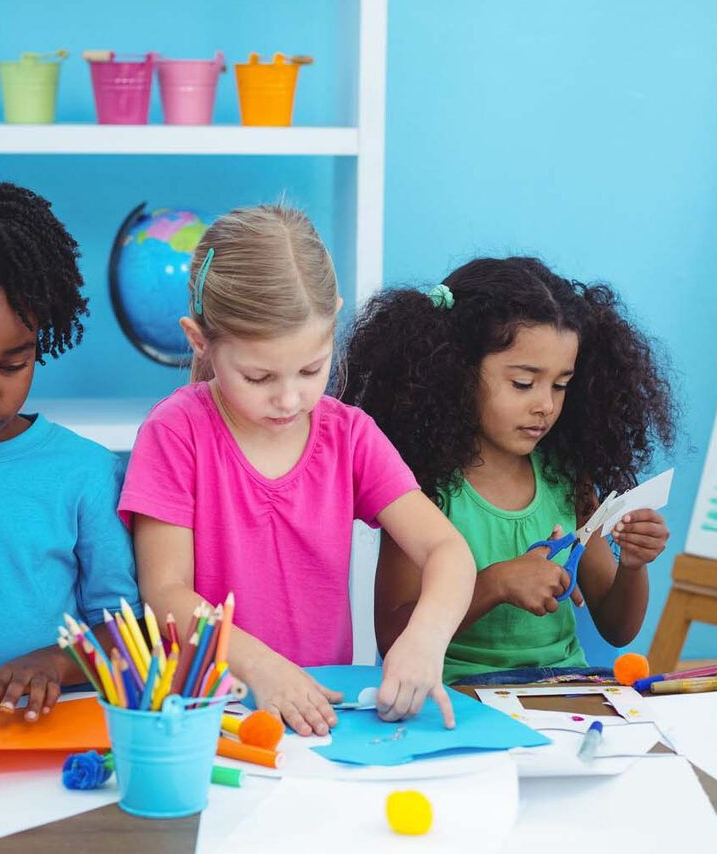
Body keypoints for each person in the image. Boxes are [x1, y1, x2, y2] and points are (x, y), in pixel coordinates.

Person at [119, 203, 474, 736]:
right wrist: (260, 666)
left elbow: (447, 552)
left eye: (311, 369)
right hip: (214, 715)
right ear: (199, 341)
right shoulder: (175, 433)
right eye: (259, 376)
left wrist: (424, 639)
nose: (289, 398)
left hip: (325, 714)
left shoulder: (348, 435)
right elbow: (166, 593)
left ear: (332, 318)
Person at [343, 255, 678, 684]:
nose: (545, 405)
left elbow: (618, 628)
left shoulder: (567, 478)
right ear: (457, 371)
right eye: (523, 383)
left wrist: (633, 564)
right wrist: (495, 584)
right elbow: (393, 635)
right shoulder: (422, 488)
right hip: (453, 695)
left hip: (562, 694)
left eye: (561, 385)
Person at [0, 182, 139, 719]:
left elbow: (125, 635)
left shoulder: (85, 472)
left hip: (39, 723)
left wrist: (57, 662)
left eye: (12, 364)